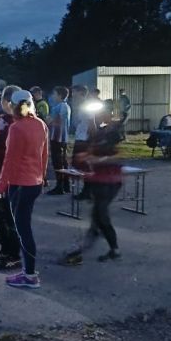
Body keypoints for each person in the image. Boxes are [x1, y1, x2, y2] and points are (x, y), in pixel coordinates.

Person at [0, 90, 48, 289]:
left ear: (13, 106)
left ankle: (30, 275)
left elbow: (10, 161)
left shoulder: (16, 128)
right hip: (33, 183)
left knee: (23, 230)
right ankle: (28, 271)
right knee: (24, 228)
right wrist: (42, 177)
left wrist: (0, 186)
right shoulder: (40, 124)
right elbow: (44, 154)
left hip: (20, 184)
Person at [61, 105, 123, 265]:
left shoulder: (114, 132)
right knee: (98, 216)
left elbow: (118, 156)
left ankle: (101, 246)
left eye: (100, 115)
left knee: (100, 215)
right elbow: (92, 151)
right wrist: (84, 157)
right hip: (98, 179)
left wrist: (99, 160)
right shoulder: (98, 133)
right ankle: (105, 245)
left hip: (111, 181)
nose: (97, 118)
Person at [0, 85, 22, 270]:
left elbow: (15, 153)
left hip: (11, 177)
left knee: (9, 216)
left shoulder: (19, 123)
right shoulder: (2, 119)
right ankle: (5, 248)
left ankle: (14, 254)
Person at [46, 86, 71, 195]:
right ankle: (65, 185)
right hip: (61, 137)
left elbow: (55, 120)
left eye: (54, 94)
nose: (53, 96)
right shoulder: (64, 106)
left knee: (58, 162)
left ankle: (60, 186)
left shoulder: (61, 106)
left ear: (60, 95)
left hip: (58, 137)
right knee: (62, 161)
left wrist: (48, 120)